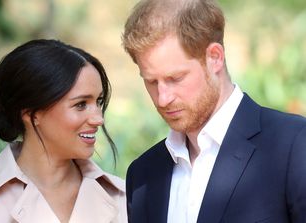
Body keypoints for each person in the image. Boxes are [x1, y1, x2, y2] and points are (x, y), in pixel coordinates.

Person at [122, 0, 306, 222]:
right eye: (151, 82)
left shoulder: (294, 144)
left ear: (215, 57)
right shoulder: (142, 175)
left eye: (175, 78)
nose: (163, 98)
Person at [0, 39, 127, 223]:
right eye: (81, 104)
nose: (98, 119)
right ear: (30, 113)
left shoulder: (125, 198)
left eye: (98, 102)